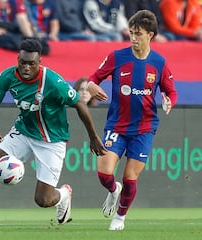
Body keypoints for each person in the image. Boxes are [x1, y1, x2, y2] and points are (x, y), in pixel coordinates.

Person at [0, 38, 106, 230]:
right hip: (23, 131)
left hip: (52, 140)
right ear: (18, 58)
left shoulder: (53, 82)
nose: (26, 67)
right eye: (22, 62)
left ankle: (64, 194)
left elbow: (80, 105)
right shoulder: (7, 77)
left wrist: (93, 136)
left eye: (31, 64)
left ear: (39, 62)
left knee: (43, 200)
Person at [86, 10, 178, 230]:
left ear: (151, 35)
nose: (133, 37)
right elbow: (93, 78)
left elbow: (171, 91)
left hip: (144, 129)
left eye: (138, 33)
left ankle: (120, 217)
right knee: (104, 173)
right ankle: (112, 190)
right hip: (116, 126)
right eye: (131, 33)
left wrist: (169, 102)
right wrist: (91, 86)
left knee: (130, 177)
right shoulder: (117, 57)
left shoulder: (159, 63)